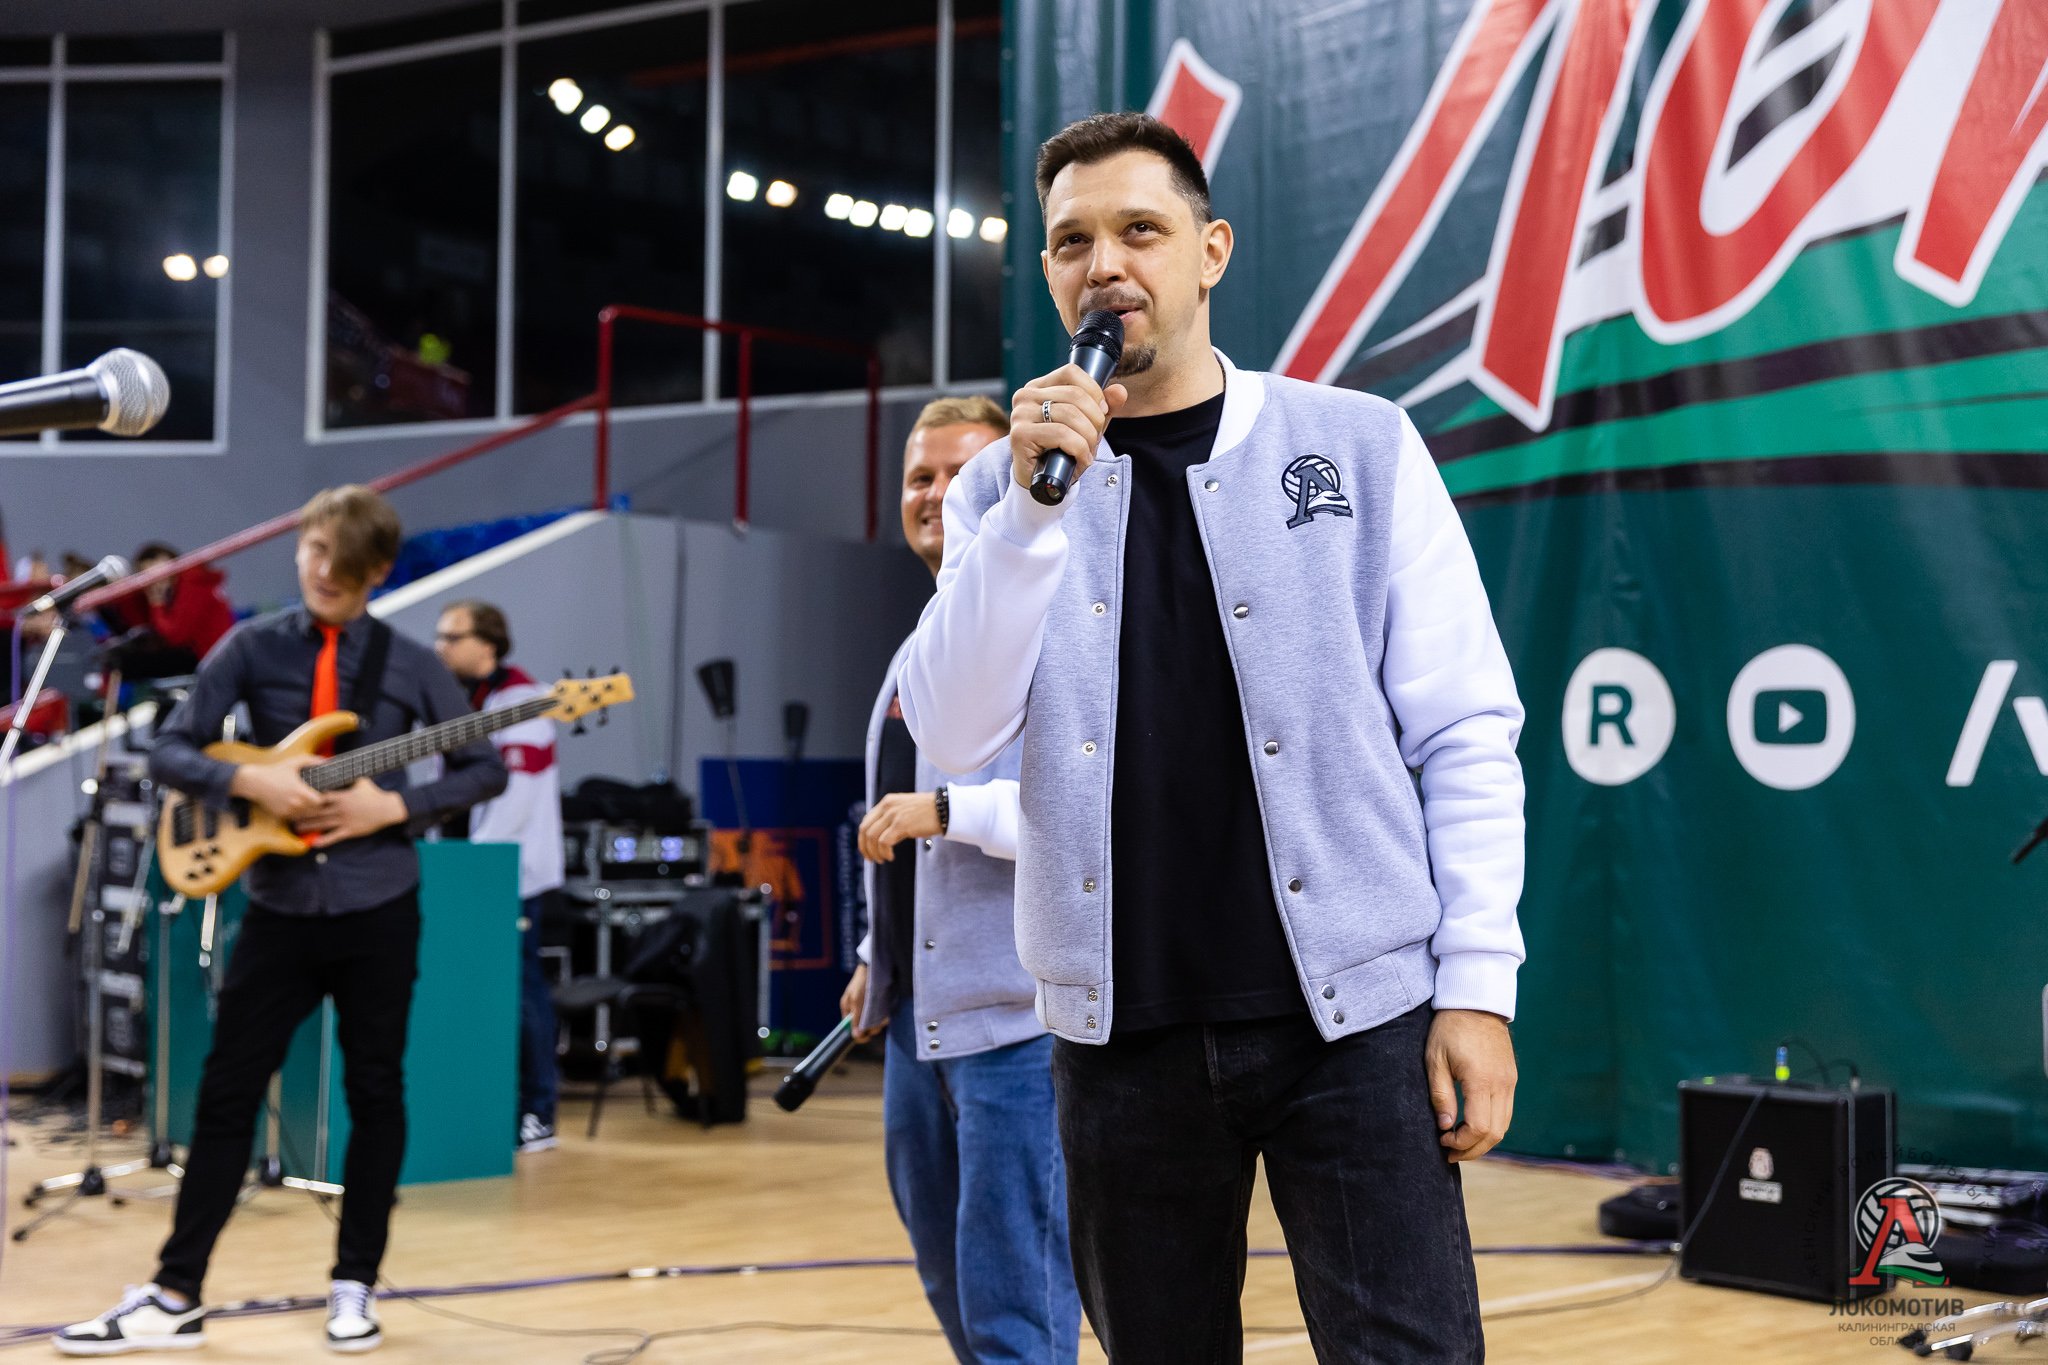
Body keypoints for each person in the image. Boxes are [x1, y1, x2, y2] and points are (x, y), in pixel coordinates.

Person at [896, 113, 1526, 1363]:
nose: (1104, 264)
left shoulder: (1355, 445)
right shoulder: (997, 489)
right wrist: (1026, 520)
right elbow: (956, 729)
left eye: (1140, 229)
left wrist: (1476, 990)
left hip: (1356, 1018)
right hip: (1116, 1035)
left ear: (1210, 252)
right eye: (1070, 241)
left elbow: (1462, 729)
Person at [56, 485, 507, 1357]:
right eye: (315, 551)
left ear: (378, 571)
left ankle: (354, 1285)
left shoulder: (415, 664)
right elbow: (172, 747)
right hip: (279, 905)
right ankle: (176, 1291)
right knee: (228, 1091)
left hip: (379, 903)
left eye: (347, 561)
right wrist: (248, 778)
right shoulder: (250, 645)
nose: (325, 571)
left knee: (377, 1091)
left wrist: (394, 806)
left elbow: (483, 767)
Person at [840, 395, 1082, 1364]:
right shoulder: (923, 643)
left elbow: (1095, 818)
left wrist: (950, 811)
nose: (936, 493)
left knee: (1016, 1303)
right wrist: (878, 951)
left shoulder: (1056, 627)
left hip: (1018, 1029)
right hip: (920, 1023)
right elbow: (899, 830)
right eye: (919, 477)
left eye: (962, 472)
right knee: (951, 1280)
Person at [431, 599, 566, 1154]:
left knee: (520, 989)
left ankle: (538, 1110)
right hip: (462, 870)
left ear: (487, 644)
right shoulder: (463, 700)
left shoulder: (521, 701)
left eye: (452, 637)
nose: (440, 647)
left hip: (504, 875)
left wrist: (474, 868)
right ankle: (484, 1108)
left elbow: (514, 797)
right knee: (479, 992)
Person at [103, 542, 237, 681]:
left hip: (211, 662)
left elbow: (174, 636)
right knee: (121, 656)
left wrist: (157, 602)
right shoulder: (181, 585)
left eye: (162, 574)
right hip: (202, 658)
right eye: (150, 579)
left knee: (124, 662)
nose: (158, 582)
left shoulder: (193, 586)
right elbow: (139, 623)